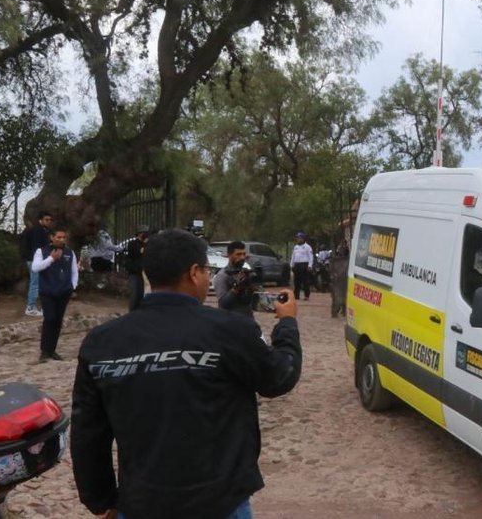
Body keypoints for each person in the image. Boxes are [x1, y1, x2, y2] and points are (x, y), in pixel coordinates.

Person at [71, 229, 302, 519]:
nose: (208, 277)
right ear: (194, 273)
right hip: (220, 503)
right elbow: (280, 376)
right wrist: (287, 324)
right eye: (207, 270)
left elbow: (88, 434)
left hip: (142, 502)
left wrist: (101, 500)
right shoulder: (230, 331)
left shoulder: (101, 342)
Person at [31, 227, 78, 362]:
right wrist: (51, 259)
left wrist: (73, 286)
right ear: (52, 237)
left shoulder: (70, 252)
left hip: (64, 291)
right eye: (58, 237)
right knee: (49, 318)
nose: (61, 240)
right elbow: (35, 268)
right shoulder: (41, 251)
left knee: (57, 320)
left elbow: (74, 271)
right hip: (47, 291)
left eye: (63, 237)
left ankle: (52, 350)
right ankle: (44, 350)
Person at [214, 241, 259, 318]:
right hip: (230, 319)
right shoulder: (223, 275)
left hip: (247, 318)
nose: (242, 257)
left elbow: (254, 302)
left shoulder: (246, 273)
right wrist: (236, 288)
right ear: (229, 255)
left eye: (244, 254)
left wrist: (253, 288)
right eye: (238, 254)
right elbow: (223, 304)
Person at [20, 211, 53, 316]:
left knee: (41, 283)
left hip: (39, 260)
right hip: (35, 260)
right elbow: (37, 248)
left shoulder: (45, 231)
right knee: (35, 283)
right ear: (40, 220)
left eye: (50, 220)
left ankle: (42, 306)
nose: (49, 222)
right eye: (46, 220)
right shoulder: (37, 231)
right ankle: (30, 307)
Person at [123, 226, 149, 311]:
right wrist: (145, 244)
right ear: (139, 234)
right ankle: (133, 312)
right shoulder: (133, 244)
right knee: (135, 295)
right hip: (134, 273)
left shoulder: (145, 244)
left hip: (143, 273)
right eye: (144, 233)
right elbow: (139, 252)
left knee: (142, 295)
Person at [291, 232, 313, 301]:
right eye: (297, 238)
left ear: (303, 239)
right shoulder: (296, 247)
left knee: (305, 281)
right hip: (297, 265)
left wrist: (310, 265)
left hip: (304, 265)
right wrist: (292, 265)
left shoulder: (307, 247)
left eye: (299, 238)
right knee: (296, 281)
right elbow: (293, 256)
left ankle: (306, 295)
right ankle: (296, 295)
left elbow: (310, 257)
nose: (298, 239)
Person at [330, 239, 350, 318]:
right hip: (337, 280)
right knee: (337, 297)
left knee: (345, 296)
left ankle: (344, 311)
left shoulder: (348, 259)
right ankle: (335, 312)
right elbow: (332, 270)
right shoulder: (336, 260)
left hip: (345, 279)